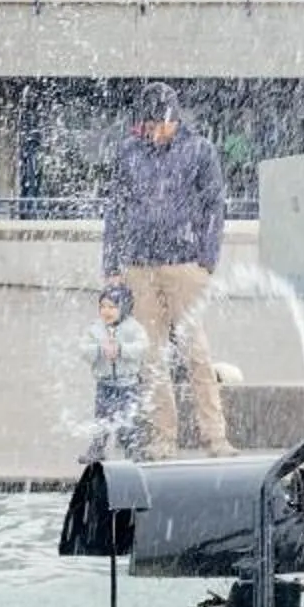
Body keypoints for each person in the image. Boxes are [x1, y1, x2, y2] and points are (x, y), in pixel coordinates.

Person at [101, 83, 231, 456]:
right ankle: (163, 438)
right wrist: (111, 265)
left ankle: (215, 436)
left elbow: (214, 207)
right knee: (149, 355)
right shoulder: (128, 153)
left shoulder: (199, 150)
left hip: (184, 265)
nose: (152, 131)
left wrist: (206, 262)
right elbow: (116, 209)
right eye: (147, 124)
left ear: (174, 119)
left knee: (196, 351)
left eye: (159, 123)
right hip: (139, 267)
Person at [82, 280, 151, 458]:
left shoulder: (133, 328)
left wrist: (121, 350)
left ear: (125, 308)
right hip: (104, 383)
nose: (107, 311)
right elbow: (83, 349)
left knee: (129, 418)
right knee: (102, 417)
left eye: (112, 307)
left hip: (128, 383)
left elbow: (142, 347)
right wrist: (99, 350)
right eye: (103, 306)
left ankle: (133, 449)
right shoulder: (95, 329)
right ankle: (97, 448)